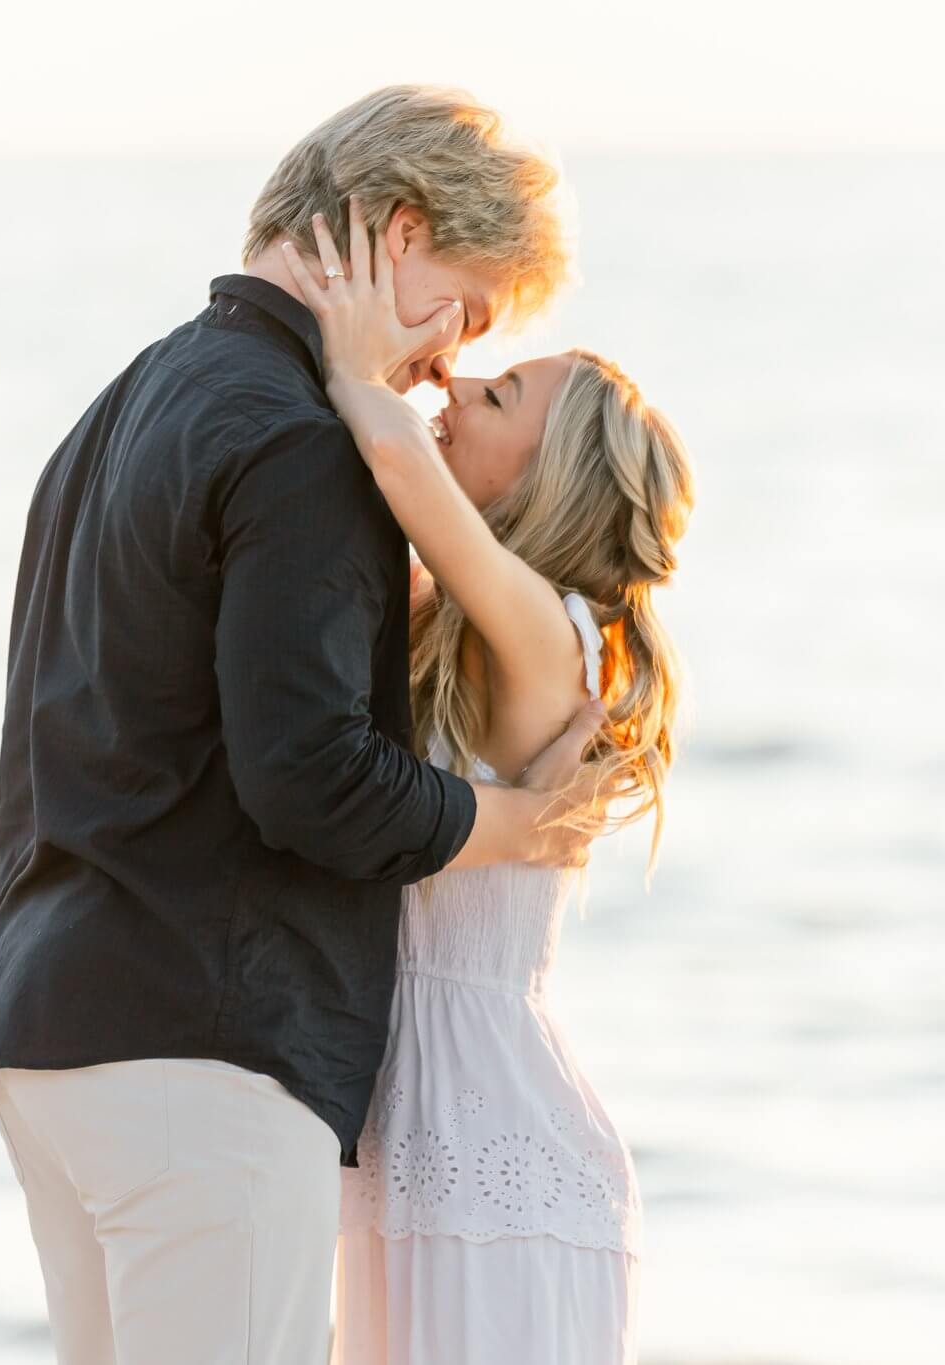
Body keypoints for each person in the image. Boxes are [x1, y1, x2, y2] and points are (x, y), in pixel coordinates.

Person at [0, 86, 603, 1364]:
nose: (438, 362)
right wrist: (519, 822)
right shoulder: (304, 442)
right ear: (397, 233)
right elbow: (313, 781)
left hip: (46, 1029)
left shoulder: (126, 402)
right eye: (461, 313)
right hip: (202, 1054)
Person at [276, 205, 695, 1365]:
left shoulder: (551, 641)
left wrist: (359, 361)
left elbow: (398, 455)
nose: (453, 385)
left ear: (549, 484)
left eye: (500, 395)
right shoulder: (442, 627)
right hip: (408, 1131)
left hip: (500, 1143)